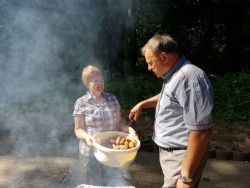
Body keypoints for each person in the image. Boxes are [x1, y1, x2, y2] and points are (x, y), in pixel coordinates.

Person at [129, 34, 214, 188]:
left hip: (181, 155)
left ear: (164, 57)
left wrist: (185, 176)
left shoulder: (189, 78)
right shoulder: (176, 75)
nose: (149, 68)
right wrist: (143, 104)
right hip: (174, 155)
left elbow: (202, 132)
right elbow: (171, 96)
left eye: (150, 63)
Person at [73, 65, 137, 186]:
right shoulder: (81, 103)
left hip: (111, 154)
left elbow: (118, 123)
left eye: (101, 79)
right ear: (87, 83)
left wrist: (129, 129)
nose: (100, 82)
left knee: (111, 184)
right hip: (90, 154)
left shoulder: (112, 99)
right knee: (91, 185)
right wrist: (86, 137)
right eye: (95, 80)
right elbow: (78, 129)